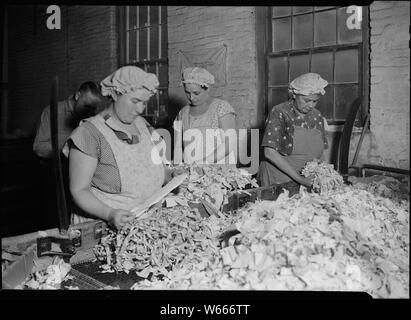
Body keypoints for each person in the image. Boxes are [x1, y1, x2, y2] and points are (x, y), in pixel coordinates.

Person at [64, 66, 170, 230]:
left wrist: (170, 176)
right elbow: (79, 190)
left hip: (147, 224)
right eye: (134, 101)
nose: (140, 109)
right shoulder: (89, 133)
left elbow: (152, 169)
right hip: (104, 228)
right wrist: (109, 213)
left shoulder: (143, 125)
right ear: (115, 94)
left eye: (144, 102)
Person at [257, 73, 329, 188]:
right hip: (278, 180)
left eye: (315, 101)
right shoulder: (280, 112)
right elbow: (270, 152)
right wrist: (300, 179)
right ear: (294, 94)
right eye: (307, 100)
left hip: (306, 180)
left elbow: (322, 154)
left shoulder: (317, 116)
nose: (311, 105)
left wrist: (326, 174)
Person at [173, 67, 237, 165]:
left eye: (196, 93)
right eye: (187, 92)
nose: (191, 97)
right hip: (191, 170)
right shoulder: (182, 113)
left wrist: (204, 162)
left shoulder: (221, 108)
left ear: (207, 89)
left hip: (218, 170)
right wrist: (177, 166)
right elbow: (177, 147)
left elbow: (229, 144)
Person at [33, 81, 105, 159]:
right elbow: (38, 148)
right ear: (77, 96)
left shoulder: (91, 116)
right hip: (54, 168)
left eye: (93, 108)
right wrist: (67, 146)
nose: (90, 112)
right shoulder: (52, 112)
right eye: (86, 106)